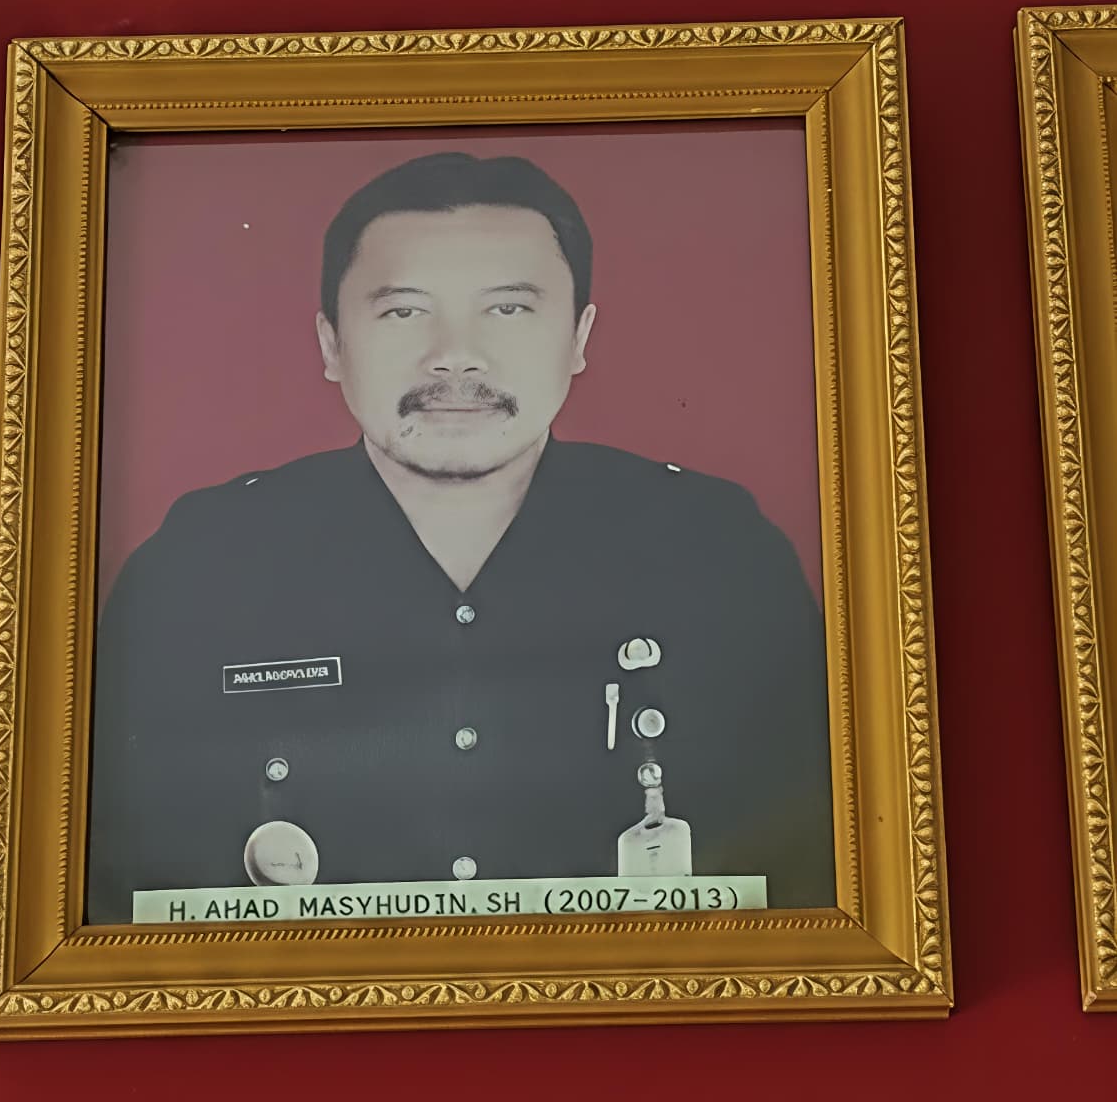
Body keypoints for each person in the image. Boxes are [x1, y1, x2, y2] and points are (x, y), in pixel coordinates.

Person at [86, 151, 835, 924]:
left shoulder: (720, 555)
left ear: (579, 337)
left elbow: (809, 886)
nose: (454, 355)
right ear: (331, 345)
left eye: (507, 309)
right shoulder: (199, 569)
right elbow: (117, 907)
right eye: (403, 312)